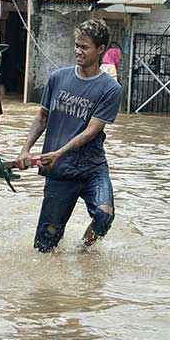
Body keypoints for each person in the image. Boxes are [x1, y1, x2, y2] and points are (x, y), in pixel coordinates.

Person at [16, 19, 123, 252]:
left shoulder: (110, 89)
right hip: (60, 171)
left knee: (104, 216)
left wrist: (60, 152)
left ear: (100, 50)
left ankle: (83, 252)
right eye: (76, 45)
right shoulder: (58, 78)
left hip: (91, 168)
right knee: (45, 243)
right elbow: (41, 117)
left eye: (84, 47)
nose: (78, 51)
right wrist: (25, 150)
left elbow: (93, 129)